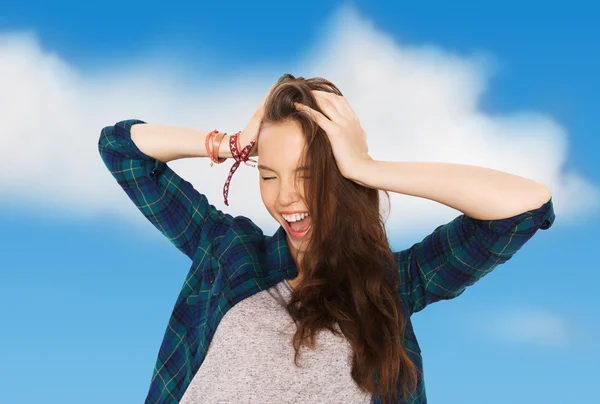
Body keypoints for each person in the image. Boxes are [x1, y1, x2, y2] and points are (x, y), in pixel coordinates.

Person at [97, 74, 555, 404]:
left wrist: (367, 168)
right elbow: (121, 150)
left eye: (309, 175)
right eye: (270, 175)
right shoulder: (230, 252)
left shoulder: (393, 285)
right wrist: (230, 144)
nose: (286, 197)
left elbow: (524, 207)